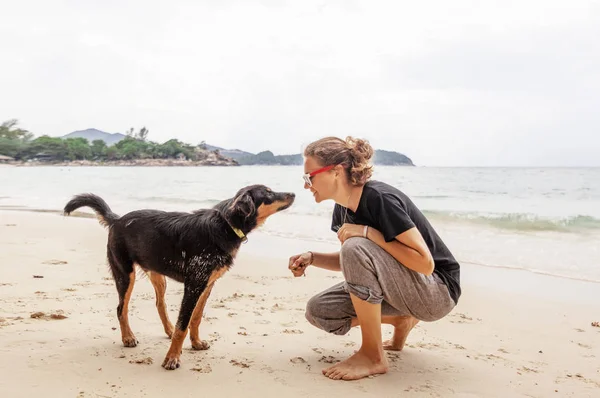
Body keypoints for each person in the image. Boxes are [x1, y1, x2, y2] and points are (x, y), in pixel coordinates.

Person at [288, 136, 461, 381]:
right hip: (401, 288)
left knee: (355, 245)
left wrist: (368, 233)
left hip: (437, 292)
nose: (307, 185)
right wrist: (312, 258)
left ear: (336, 171)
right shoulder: (343, 208)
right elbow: (359, 263)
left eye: (310, 176)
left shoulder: (379, 198)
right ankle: (402, 320)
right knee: (318, 311)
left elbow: (425, 263)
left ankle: (373, 355)